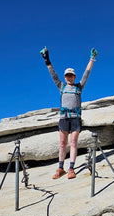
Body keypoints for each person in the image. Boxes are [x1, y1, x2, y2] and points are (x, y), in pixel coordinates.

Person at [41, 47, 97, 179]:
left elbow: (86, 73)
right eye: (67, 76)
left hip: (75, 118)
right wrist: (47, 60)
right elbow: (53, 74)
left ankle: (71, 168)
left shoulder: (79, 87)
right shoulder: (62, 86)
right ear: (65, 77)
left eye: (71, 76)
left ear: (74, 77)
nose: (69, 78)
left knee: (73, 143)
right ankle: (60, 168)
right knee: (62, 143)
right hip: (64, 119)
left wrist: (92, 59)